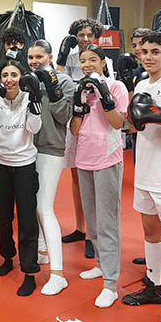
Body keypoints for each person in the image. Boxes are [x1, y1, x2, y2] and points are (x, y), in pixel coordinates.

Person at [120, 33, 161, 322]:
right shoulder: (142, 85)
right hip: (145, 170)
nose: (148, 57)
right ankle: (153, 286)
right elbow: (136, 126)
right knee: (150, 232)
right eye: (144, 51)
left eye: (155, 51)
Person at [70, 45, 128, 308]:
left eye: (92, 60)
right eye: (83, 61)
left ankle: (110, 284)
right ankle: (101, 265)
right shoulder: (82, 89)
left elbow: (118, 123)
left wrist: (105, 96)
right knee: (92, 220)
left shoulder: (116, 87)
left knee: (107, 221)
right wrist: (78, 105)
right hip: (84, 158)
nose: (87, 65)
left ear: (103, 62)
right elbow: (74, 130)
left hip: (107, 159)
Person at [0, 60, 43, 296]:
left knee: (27, 219)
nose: (9, 79)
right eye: (5, 75)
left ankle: (29, 271)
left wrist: (35, 100)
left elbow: (34, 129)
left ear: (22, 77)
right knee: (3, 216)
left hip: (25, 165)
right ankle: (7, 257)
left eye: (14, 74)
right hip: (0, 165)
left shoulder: (28, 98)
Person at [56, 18, 113, 260]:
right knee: (76, 178)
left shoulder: (104, 60)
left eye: (90, 35)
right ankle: (80, 227)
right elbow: (58, 84)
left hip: (98, 123)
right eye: (81, 35)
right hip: (76, 121)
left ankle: (92, 233)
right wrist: (61, 59)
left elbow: (109, 87)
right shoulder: (71, 59)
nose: (85, 39)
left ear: (96, 36)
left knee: (94, 180)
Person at [26, 40, 75, 295]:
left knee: (44, 208)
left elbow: (64, 116)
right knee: (32, 204)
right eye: (31, 57)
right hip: (26, 149)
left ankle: (58, 274)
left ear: (50, 56)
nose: (34, 61)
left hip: (50, 149)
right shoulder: (27, 80)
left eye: (39, 56)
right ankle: (42, 250)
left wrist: (52, 88)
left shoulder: (64, 82)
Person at [0, 27, 30, 213]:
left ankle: (20, 201)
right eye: (8, 44)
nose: (11, 47)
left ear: (22, 45)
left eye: (15, 44)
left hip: (21, 117)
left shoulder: (26, 65)